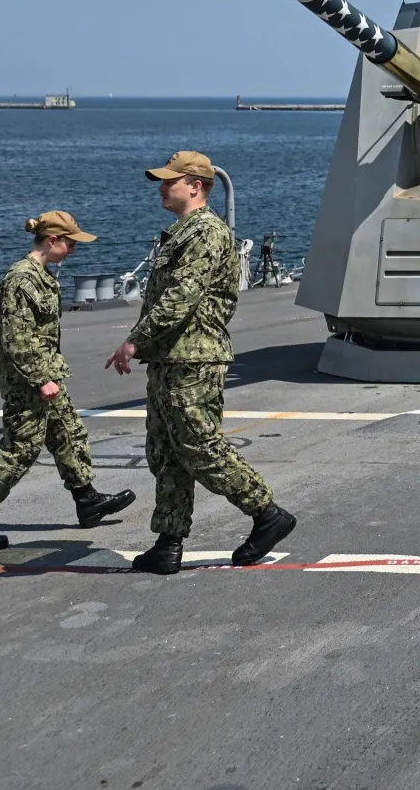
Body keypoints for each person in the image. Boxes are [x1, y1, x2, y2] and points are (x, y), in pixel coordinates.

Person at [105, 151, 295, 575]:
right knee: (166, 451)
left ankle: (267, 513)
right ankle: (169, 541)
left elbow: (181, 297)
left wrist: (134, 342)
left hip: (193, 357)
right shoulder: (181, 232)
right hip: (171, 356)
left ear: (196, 186)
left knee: (199, 445)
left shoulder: (206, 233)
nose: (161, 186)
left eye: (170, 180)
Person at [0, 212, 135, 554]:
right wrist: (41, 378)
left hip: (45, 375)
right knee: (19, 450)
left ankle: (87, 499)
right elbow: (15, 338)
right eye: (71, 243)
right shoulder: (22, 279)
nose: (74, 249)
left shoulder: (41, 277)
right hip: (28, 381)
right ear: (52, 241)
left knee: (68, 433)